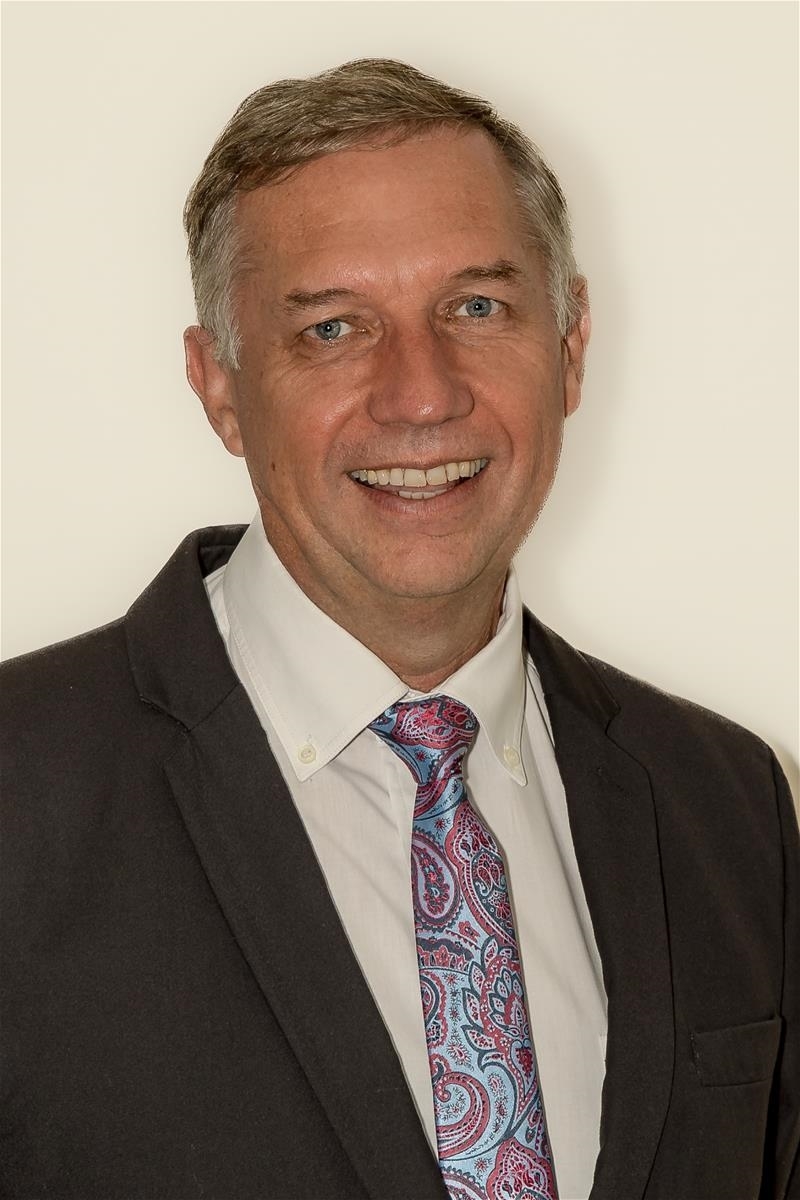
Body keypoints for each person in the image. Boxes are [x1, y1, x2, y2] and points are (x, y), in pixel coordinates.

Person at [1, 57, 797, 1200]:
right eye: (332, 328)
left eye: (475, 309)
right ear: (219, 386)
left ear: (569, 347)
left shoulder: (727, 808)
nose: (421, 394)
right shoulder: (20, 796)